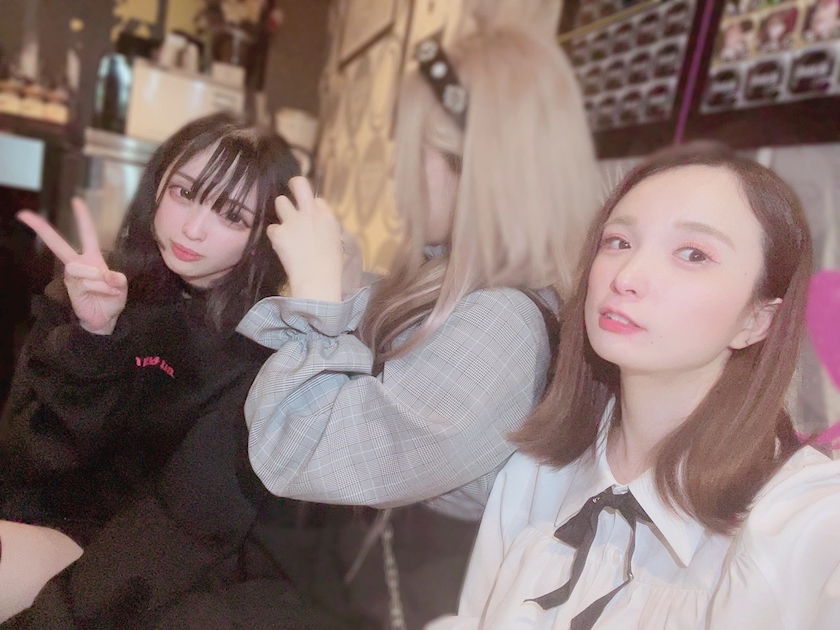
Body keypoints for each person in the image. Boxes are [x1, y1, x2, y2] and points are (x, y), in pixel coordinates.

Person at [235, 24, 601, 628]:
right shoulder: (461, 287)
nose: (394, 172)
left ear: (476, 167)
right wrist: (343, 290)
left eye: (410, 151)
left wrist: (320, 299)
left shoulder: (503, 327)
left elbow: (294, 451)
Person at [427, 142, 840, 629]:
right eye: (618, 242)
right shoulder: (535, 472)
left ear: (757, 320)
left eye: (693, 254)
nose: (627, 276)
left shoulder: (807, 523)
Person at [0, 112, 357, 629]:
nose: (193, 228)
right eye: (185, 193)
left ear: (264, 237)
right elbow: (32, 458)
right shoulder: (100, 284)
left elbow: (183, 530)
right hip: (60, 520)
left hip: (139, 573)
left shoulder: (263, 357)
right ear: (158, 183)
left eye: (232, 216)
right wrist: (92, 340)